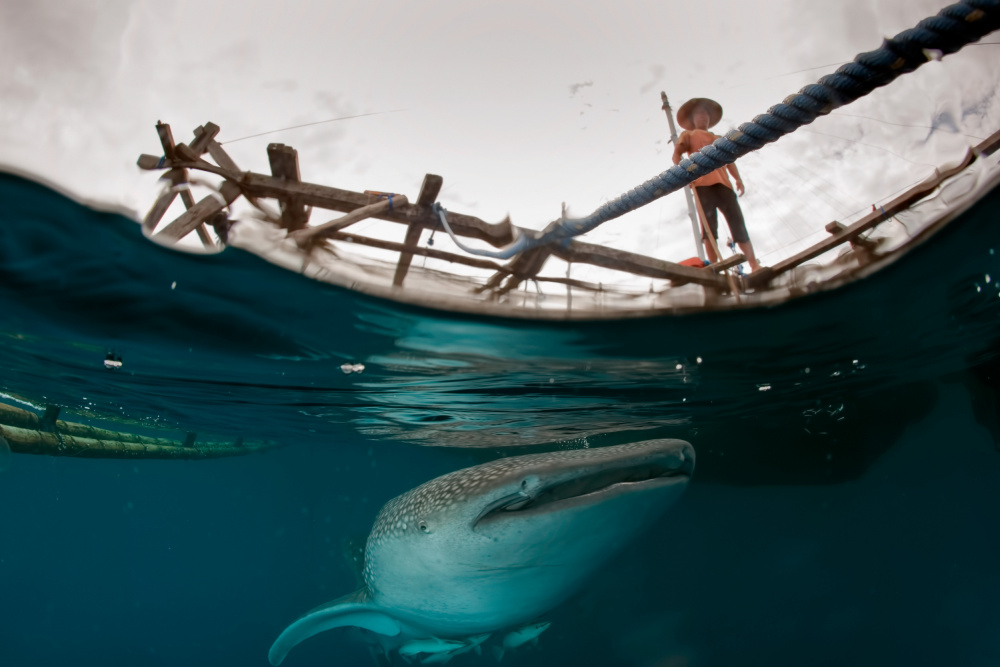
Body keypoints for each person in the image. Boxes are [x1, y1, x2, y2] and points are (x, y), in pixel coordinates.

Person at [672, 97, 762, 272]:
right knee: (709, 228)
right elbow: (677, 155)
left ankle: (754, 264)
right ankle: (714, 268)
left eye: (705, 115)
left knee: (738, 224)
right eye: (699, 115)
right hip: (701, 184)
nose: (703, 117)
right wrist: (683, 173)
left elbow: (730, 161)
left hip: (724, 185)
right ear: (692, 119)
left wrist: (737, 179)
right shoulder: (688, 135)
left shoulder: (719, 138)